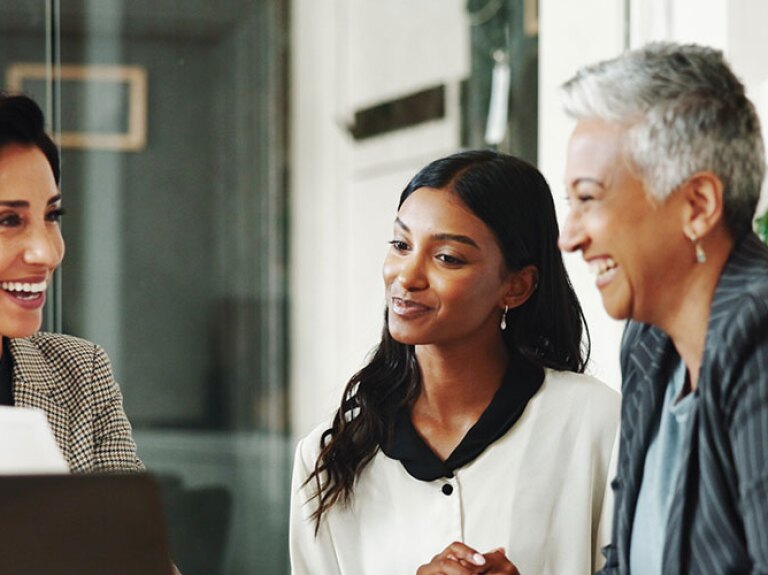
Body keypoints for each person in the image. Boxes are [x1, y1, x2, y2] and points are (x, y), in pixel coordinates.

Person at [290, 150, 620, 575]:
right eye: (401, 244)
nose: (407, 276)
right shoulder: (328, 457)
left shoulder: (600, 424)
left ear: (516, 286)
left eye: (447, 257)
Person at [559, 42, 768, 574]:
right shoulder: (651, 344)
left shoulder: (758, 340)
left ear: (696, 206)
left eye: (588, 198)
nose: (569, 237)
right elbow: (627, 561)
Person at [0, 92, 142, 473]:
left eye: (51, 215)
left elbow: (129, 530)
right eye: (8, 220)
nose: (47, 253)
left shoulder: (81, 374)